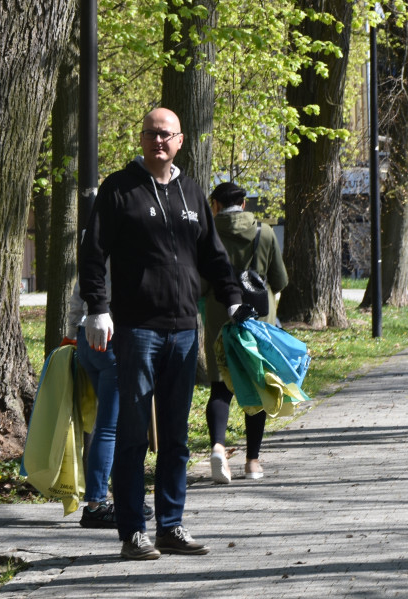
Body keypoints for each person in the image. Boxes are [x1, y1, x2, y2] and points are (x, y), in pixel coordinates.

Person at [79, 108, 243, 560]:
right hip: (136, 331)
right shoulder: (119, 189)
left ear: (180, 140)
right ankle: (133, 531)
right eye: (151, 133)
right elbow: (93, 254)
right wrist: (98, 307)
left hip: (184, 331)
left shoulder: (192, 192)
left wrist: (231, 296)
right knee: (133, 434)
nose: (157, 141)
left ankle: (171, 525)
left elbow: (211, 255)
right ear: (142, 137)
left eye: (165, 134)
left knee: (175, 436)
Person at [203, 181, 289, 484]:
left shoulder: (206, 233)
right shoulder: (264, 233)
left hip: (218, 317)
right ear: (243, 204)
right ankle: (252, 463)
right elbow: (279, 279)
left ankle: (217, 447)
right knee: (256, 387)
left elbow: (199, 285)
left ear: (215, 205)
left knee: (220, 387)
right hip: (257, 320)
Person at [62, 282, 155, 529]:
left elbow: (77, 294)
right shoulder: (130, 248)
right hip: (112, 337)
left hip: (86, 336)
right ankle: (96, 504)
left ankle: (122, 498)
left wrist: (71, 333)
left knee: (108, 423)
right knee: (109, 427)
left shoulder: (96, 249)